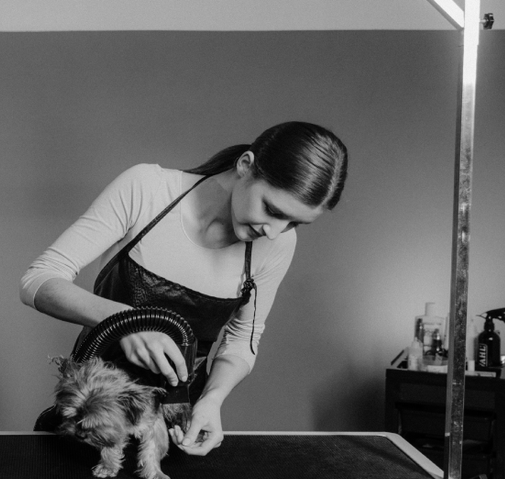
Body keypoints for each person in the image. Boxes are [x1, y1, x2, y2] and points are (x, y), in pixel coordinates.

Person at [20, 121, 348, 455]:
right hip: (91, 420)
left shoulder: (276, 245)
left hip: (171, 434)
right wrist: (125, 321)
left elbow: (241, 342)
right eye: (272, 210)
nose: (275, 232)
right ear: (246, 165)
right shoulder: (147, 189)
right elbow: (39, 281)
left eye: (294, 223)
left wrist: (212, 400)